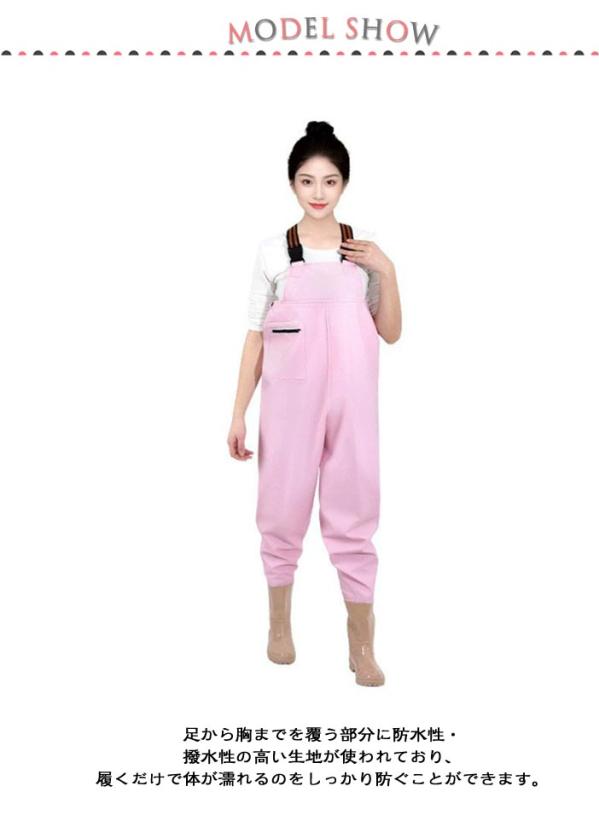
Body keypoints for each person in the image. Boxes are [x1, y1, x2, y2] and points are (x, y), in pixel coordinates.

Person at [227, 120, 402, 686]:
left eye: (330, 181)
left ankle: (361, 644)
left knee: (356, 514)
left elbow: (390, 332)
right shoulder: (273, 252)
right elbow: (255, 336)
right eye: (307, 181)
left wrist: (388, 270)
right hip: (289, 408)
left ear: (344, 184)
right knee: (280, 511)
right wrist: (237, 412)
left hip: (354, 408)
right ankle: (279, 625)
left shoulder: (364, 251)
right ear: (292, 184)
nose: (318, 192)